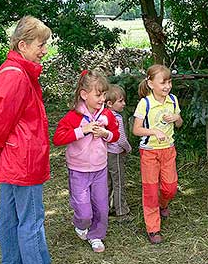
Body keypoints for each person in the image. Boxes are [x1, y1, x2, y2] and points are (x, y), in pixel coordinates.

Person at [0, 16, 52, 263]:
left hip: (14, 159)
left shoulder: (16, 71)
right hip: (24, 162)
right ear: (23, 45)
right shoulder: (17, 76)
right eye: (41, 44)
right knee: (31, 223)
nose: (45, 50)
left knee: (10, 219)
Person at [53, 70, 120, 253]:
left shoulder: (107, 114)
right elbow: (58, 139)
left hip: (100, 169)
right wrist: (82, 130)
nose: (102, 99)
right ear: (84, 94)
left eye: (104, 94)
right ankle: (80, 223)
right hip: (78, 170)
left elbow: (115, 135)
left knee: (102, 206)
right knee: (84, 211)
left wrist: (105, 134)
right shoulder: (73, 116)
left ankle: (96, 235)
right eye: (98, 95)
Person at [132, 64, 183, 244]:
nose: (167, 86)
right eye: (163, 82)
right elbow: (136, 130)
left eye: (169, 82)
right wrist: (153, 132)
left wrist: (177, 118)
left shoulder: (173, 100)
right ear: (151, 84)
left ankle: (163, 204)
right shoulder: (145, 103)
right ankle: (153, 228)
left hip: (169, 150)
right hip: (149, 153)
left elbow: (179, 123)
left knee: (170, 187)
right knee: (151, 191)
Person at [105, 84, 133, 222]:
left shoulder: (103, 115)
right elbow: (121, 139)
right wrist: (128, 148)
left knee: (107, 183)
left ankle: (104, 210)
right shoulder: (117, 118)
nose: (124, 103)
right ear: (110, 103)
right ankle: (121, 211)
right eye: (120, 101)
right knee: (119, 182)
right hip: (115, 154)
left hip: (104, 155)